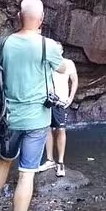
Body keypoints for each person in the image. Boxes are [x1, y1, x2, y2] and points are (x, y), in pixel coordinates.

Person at [0, 0, 66, 211]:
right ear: (42, 19)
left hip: (9, 117)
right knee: (27, 174)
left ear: (18, 16)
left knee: (3, 161)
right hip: (37, 120)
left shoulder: (5, 43)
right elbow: (61, 69)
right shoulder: (49, 47)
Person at [38, 44, 78, 177]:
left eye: (57, 48)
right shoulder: (46, 63)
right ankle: (50, 159)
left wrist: (71, 98)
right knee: (47, 129)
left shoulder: (67, 63)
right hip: (47, 101)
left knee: (61, 130)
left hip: (60, 102)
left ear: (61, 51)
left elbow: (74, 80)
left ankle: (60, 162)